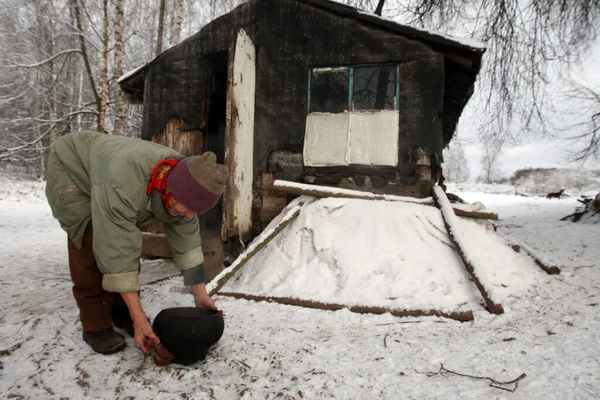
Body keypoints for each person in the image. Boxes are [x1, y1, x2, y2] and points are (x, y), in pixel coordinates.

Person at [45, 131, 228, 355]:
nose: (191, 216)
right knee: (91, 243)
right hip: (72, 169)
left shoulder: (185, 181)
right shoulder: (125, 181)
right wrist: (140, 317)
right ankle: (95, 326)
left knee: (128, 244)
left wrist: (200, 294)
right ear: (170, 194)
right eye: (188, 209)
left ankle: (122, 311)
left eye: (195, 212)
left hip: (109, 171)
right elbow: (116, 246)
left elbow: (187, 241)